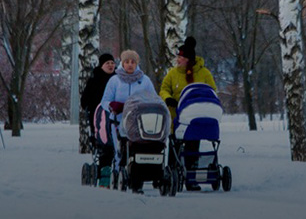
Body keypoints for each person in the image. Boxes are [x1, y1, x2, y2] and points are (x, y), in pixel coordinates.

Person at [159, 36, 217, 190]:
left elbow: (212, 91)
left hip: (194, 117)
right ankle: (172, 176)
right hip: (176, 116)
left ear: (188, 60)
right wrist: (168, 98)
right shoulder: (173, 73)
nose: (178, 60)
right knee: (175, 147)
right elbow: (164, 89)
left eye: (181, 57)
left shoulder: (204, 73)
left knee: (192, 147)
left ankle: (191, 177)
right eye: (178, 57)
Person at [100, 49, 156, 178]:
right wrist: (112, 106)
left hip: (140, 122)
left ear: (137, 64)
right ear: (122, 63)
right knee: (120, 149)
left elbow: (154, 99)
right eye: (127, 62)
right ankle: (118, 171)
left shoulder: (145, 80)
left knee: (138, 149)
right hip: (118, 121)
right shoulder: (115, 80)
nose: (130, 65)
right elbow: (105, 101)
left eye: (133, 62)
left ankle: (138, 172)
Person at [80, 52, 116, 126]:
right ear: (102, 65)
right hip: (97, 115)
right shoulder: (95, 79)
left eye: (112, 63)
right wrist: (90, 108)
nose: (110, 65)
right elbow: (85, 99)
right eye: (107, 63)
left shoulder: (119, 79)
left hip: (115, 115)